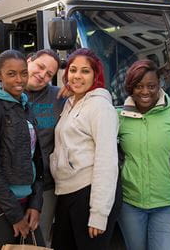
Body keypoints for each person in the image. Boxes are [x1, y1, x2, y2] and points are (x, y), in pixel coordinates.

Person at [0, 49, 65, 250]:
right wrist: (15, 215)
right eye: (40, 67)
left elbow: (36, 158)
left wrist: (35, 204)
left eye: (49, 74)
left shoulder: (29, 103)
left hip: (29, 196)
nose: (42, 75)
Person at [117, 60, 170, 250]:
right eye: (138, 86)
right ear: (130, 88)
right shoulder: (118, 117)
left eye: (151, 86)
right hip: (130, 205)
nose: (145, 92)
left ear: (160, 85)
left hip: (167, 205)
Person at [50, 48, 121, 250]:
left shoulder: (101, 107)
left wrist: (98, 213)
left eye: (85, 71)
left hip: (88, 193)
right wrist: (71, 90)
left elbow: (106, 162)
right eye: (73, 70)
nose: (77, 76)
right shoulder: (71, 102)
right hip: (66, 192)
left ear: (96, 75)